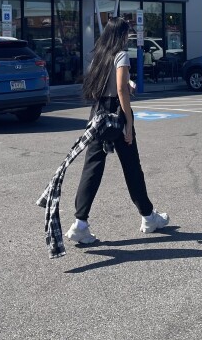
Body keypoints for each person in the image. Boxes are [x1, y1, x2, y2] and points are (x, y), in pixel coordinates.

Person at [65, 17, 169, 244]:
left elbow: (102, 88)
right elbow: (121, 89)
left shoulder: (98, 57)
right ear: (120, 35)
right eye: (127, 33)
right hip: (117, 114)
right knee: (132, 167)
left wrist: (125, 84)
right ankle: (148, 217)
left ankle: (80, 223)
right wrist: (128, 123)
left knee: (91, 168)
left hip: (98, 113)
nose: (128, 37)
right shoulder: (121, 55)